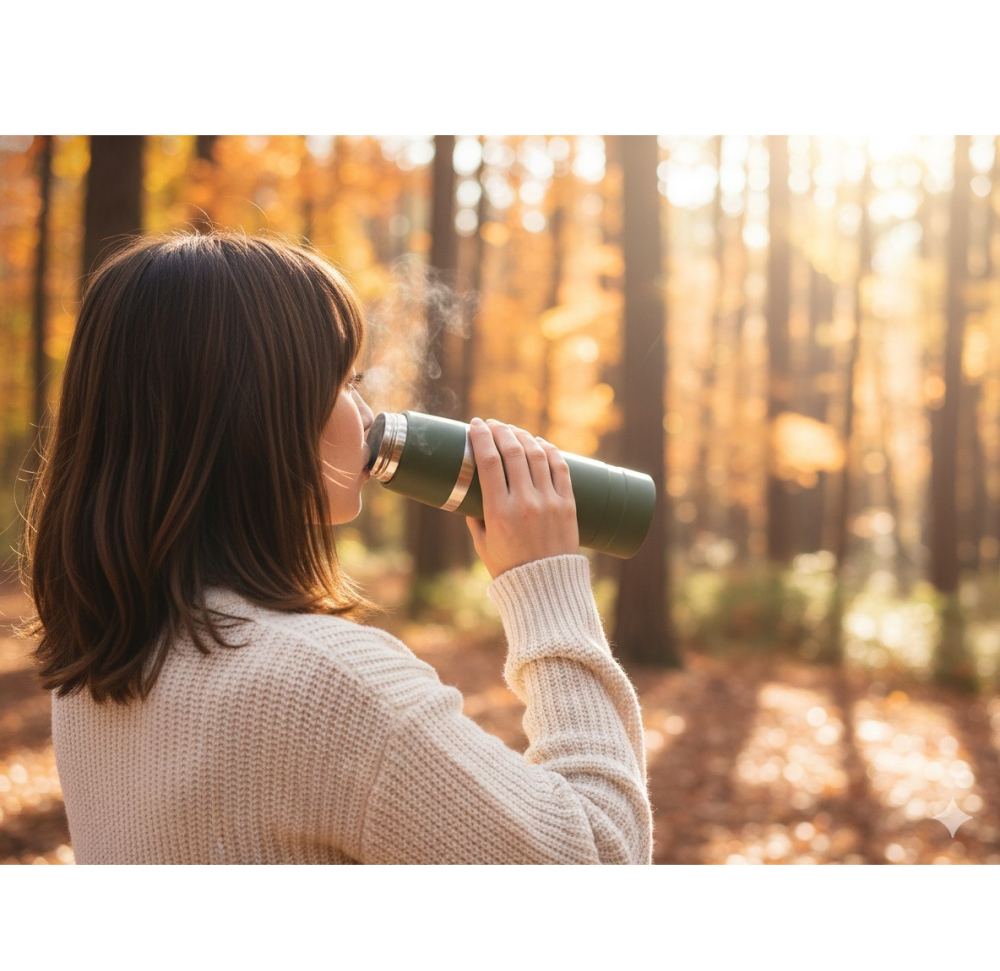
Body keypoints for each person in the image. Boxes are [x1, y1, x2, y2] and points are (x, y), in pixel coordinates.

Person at [20, 230, 653, 864]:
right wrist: (547, 583)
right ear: (262, 413)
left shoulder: (95, 664)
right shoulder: (326, 686)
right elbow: (601, 855)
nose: (367, 411)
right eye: (345, 382)